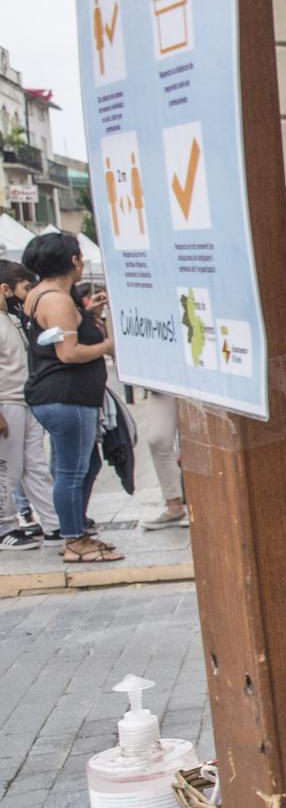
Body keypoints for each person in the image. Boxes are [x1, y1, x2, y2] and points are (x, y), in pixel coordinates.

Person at [21, 232, 118, 564]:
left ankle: (76, 531)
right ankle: (74, 538)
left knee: (84, 464)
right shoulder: (56, 300)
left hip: (64, 396)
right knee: (72, 470)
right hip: (66, 397)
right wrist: (108, 347)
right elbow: (70, 353)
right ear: (73, 261)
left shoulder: (44, 294)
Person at [0, 259, 60, 552]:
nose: (28, 293)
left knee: (33, 464)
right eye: (24, 288)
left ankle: (53, 523)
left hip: (25, 399)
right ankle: (4, 527)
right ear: (5, 289)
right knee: (6, 469)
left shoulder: (11, 318)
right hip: (7, 403)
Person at [135, 391, 187, 529]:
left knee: (198, 434)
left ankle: (202, 504)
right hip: (160, 379)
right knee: (157, 439)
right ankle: (174, 506)